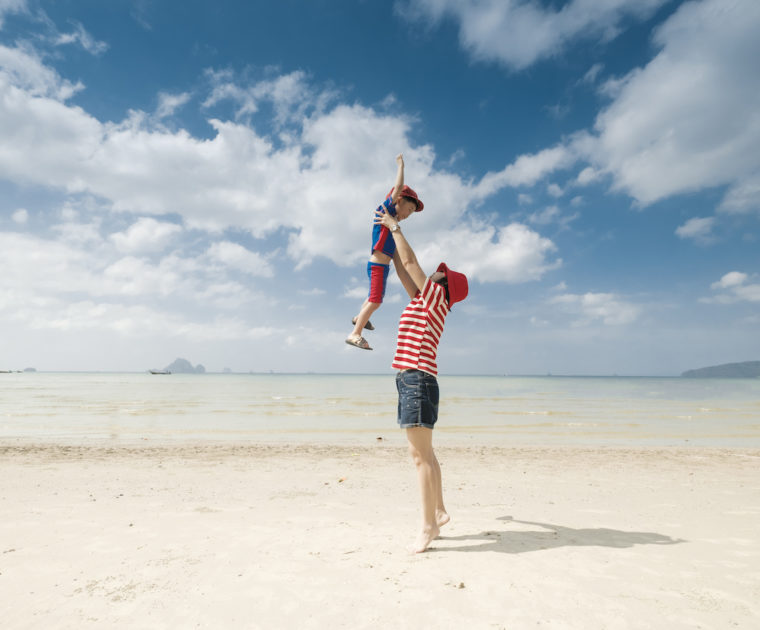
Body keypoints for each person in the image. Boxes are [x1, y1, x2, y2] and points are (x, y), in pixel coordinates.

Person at [374, 206, 469, 553]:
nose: (434, 275)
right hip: (415, 379)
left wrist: (395, 227)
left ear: (446, 288)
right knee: (426, 455)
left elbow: (412, 264)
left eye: (440, 275)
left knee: (420, 458)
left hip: (417, 379)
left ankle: (428, 526)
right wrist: (386, 243)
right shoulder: (423, 301)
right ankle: (439, 513)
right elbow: (403, 268)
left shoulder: (434, 299)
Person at [346, 153, 423, 351]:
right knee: (376, 301)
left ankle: (358, 319)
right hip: (378, 265)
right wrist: (401, 167)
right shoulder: (385, 211)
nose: (408, 215)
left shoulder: (394, 223)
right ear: (399, 200)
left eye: (412, 214)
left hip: (381, 266)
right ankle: (355, 334)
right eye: (409, 209)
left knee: (373, 296)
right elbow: (398, 188)